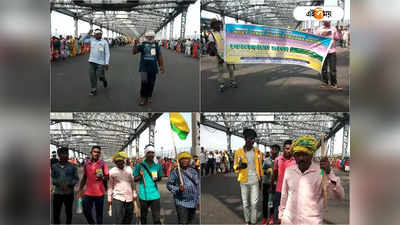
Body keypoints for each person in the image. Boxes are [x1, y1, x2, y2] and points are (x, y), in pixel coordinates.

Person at [278, 136, 345, 224]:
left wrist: (329, 173)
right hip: (289, 221)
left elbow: (339, 196)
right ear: (294, 156)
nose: (301, 158)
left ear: (311, 154)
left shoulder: (321, 173)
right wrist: (281, 215)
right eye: (298, 155)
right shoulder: (289, 171)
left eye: (305, 154)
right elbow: (284, 195)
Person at [233, 129, 263, 225]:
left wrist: (261, 180)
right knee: (245, 203)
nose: (251, 141)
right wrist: (239, 167)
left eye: (253, 139)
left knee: (254, 203)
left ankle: (253, 221)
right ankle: (247, 220)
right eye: (249, 139)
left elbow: (260, 167)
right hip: (243, 180)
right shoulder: (238, 152)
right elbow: (235, 166)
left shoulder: (258, 152)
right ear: (245, 139)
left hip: (255, 180)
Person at [132, 30, 165, 106]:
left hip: (153, 68)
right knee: (144, 83)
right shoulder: (142, 45)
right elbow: (134, 52)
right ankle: (143, 98)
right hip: (144, 69)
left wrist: (161, 66)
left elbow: (159, 56)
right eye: (148, 36)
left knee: (151, 83)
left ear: (153, 37)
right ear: (146, 37)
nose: (150, 38)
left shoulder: (156, 45)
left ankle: (149, 96)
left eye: (151, 36)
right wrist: (135, 44)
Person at [78, 146, 109, 224]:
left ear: (100, 154)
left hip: (100, 193)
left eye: (98, 152)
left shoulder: (103, 164)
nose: (96, 153)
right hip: (88, 193)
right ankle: (92, 223)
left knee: (99, 214)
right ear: (91, 153)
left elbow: (107, 177)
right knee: (86, 211)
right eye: (95, 152)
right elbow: (84, 177)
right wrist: (80, 188)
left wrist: (102, 177)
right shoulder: (86, 164)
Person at [167, 152, 200, 224]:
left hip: (193, 202)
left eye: (186, 159)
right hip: (181, 202)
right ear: (179, 161)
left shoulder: (193, 171)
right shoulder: (175, 172)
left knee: (190, 222)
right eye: (182, 159)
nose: (185, 160)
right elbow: (169, 185)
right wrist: (178, 189)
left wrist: (198, 200)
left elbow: (197, 186)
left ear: (189, 160)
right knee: (183, 222)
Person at [133, 145, 163, 224]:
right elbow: (135, 179)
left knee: (157, 218)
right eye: (148, 152)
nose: (151, 154)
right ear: (145, 154)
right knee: (143, 216)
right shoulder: (139, 165)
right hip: (143, 195)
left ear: (154, 154)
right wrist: (140, 175)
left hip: (155, 195)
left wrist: (157, 178)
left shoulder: (157, 165)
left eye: (152, 152)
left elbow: (160, 178)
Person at [51, 147, 79, 224]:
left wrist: (69, 185)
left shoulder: (73, 166)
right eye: (63, 154)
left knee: (69, 212)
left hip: (69, 194)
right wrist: (59, 184)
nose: (65, 155)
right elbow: (53, 178)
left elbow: (76, 178)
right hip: (57, 193)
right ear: (59, 155)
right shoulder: (54, 167)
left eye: (66, 153)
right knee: (56, 213)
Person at [107, 152, 137, 224]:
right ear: (115, 162)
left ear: (124, 161)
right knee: (119, 218)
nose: (120, 163)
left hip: (129, 197)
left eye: (121, 161)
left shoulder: (129, 169)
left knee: (129, 216)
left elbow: (133, 183)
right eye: (118, 161)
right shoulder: (112, 171)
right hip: (118, 197)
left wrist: (134, 194)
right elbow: (110, 185)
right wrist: (109, 198)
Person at [208, 18, 237, 92]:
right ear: (213, 26)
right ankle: (222, 84)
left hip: (227, 53)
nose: (218, 25)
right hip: (219, 55)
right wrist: (218, 56)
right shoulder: (211, 35)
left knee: (230, 69)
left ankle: (232, 81)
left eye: (218, 24)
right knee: (220, 70)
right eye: (215, 24)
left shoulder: (224, 32)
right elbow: (212, 46)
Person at [271, 140, 295, 224]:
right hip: (279, 190)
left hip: (290, 191)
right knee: (276, 209)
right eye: (287, 148)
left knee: (289, 211)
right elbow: (274, 174)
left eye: (290, 149)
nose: (289, 150)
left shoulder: (295, 161)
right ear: (283, 149)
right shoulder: (277, 160)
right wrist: (271, 186)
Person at [81, 29, 110, 96]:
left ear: (101, 34)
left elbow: (107, 53)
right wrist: (88, 33)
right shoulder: (91, 40)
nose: (98, 35)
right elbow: (81, 40)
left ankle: (103, 79)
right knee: (92, 76)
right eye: (96, 34)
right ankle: (93, 89)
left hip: (100, 63)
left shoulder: (104, 42)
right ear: (94, 35)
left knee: (99, 75)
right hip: (91, 61)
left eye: (99, 34)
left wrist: (107, 63)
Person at [315, 21, 342, 90]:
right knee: (324, 68)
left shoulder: (333, 29)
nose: (327, 22)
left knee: (333, 68)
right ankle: (325, 82)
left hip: (332, 51)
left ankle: (334, 83)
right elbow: (315, 38)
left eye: (328, 21)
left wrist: (338, 33)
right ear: (323, 22)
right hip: (323, 51)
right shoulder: (319, 29)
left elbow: (336, 38)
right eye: (325, 21)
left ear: (330, 21)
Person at [261, 151, 274, 225]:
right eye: (273, 150)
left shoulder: (278, 160)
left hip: (274, 183)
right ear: (271, 151)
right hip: (266, 183)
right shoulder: (266, 160)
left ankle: (271, 217)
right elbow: (263, 170)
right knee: (265, 201)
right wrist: (266, 172)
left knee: (272, 200)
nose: (274, 151)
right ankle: (265, 218)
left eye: (276, 150)